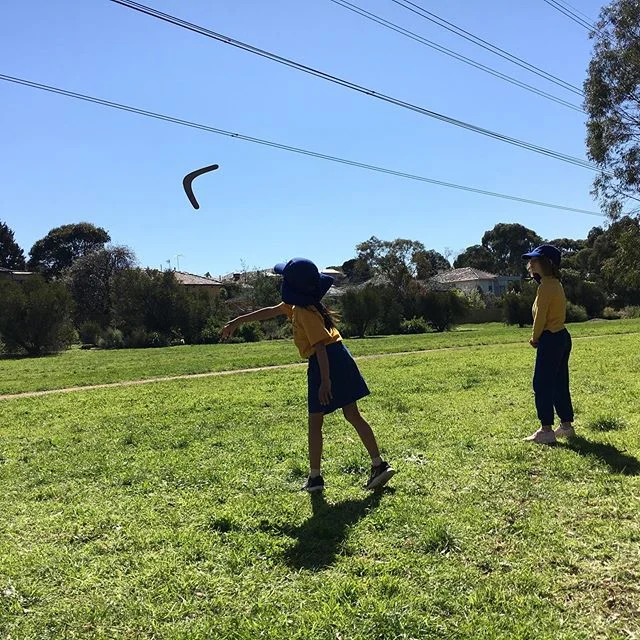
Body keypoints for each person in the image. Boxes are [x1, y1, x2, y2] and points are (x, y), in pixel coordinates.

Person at [221, 258, 395, 491]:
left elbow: (321, 347)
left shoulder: (303, 311)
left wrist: (325, 382)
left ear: (292, 286)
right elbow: (270, 311)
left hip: (326, 361)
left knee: (315, 421)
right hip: (340, 356)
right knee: (352, 414)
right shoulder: (301, 305)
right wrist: (237, 321)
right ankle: (378, 465)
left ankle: (316, 478)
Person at [522, 245, 575, 444]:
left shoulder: (545, 287)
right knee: (560, 381)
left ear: (546, 264)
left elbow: (541, 317)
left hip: (550, 338)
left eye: (535, 260)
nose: (531, 263)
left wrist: (535, 338)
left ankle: (546, 430)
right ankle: (566, 426)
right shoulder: (555, 283)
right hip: (562, 336)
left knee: (542, 383)